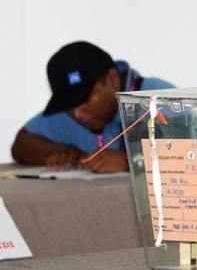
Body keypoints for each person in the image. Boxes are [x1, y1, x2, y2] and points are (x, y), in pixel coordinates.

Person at [12, 41, 174, 173]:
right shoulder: (71, 113)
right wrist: (63, 151)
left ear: (112, 79)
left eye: (85, 100)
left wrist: (131, 161)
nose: (78, 114)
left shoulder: (159, 97)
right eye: (69, 105)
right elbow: (22, 143)